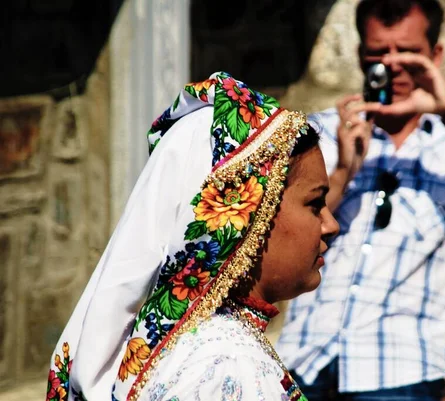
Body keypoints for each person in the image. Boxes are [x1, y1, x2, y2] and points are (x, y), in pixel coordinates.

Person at [275, 0, 445, 400]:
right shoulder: (325, 130)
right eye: (380, 52)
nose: (393, 65)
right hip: (305, 355)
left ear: (436, 55)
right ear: (362, 54)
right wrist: (345, 169)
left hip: (399, 367)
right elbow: (282, 229)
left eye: (409, 53)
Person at [46, 71, 339, 401]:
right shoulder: (227, 365)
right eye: (315, 203)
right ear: (247, 213)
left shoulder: (198, 348)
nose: (331, 225)